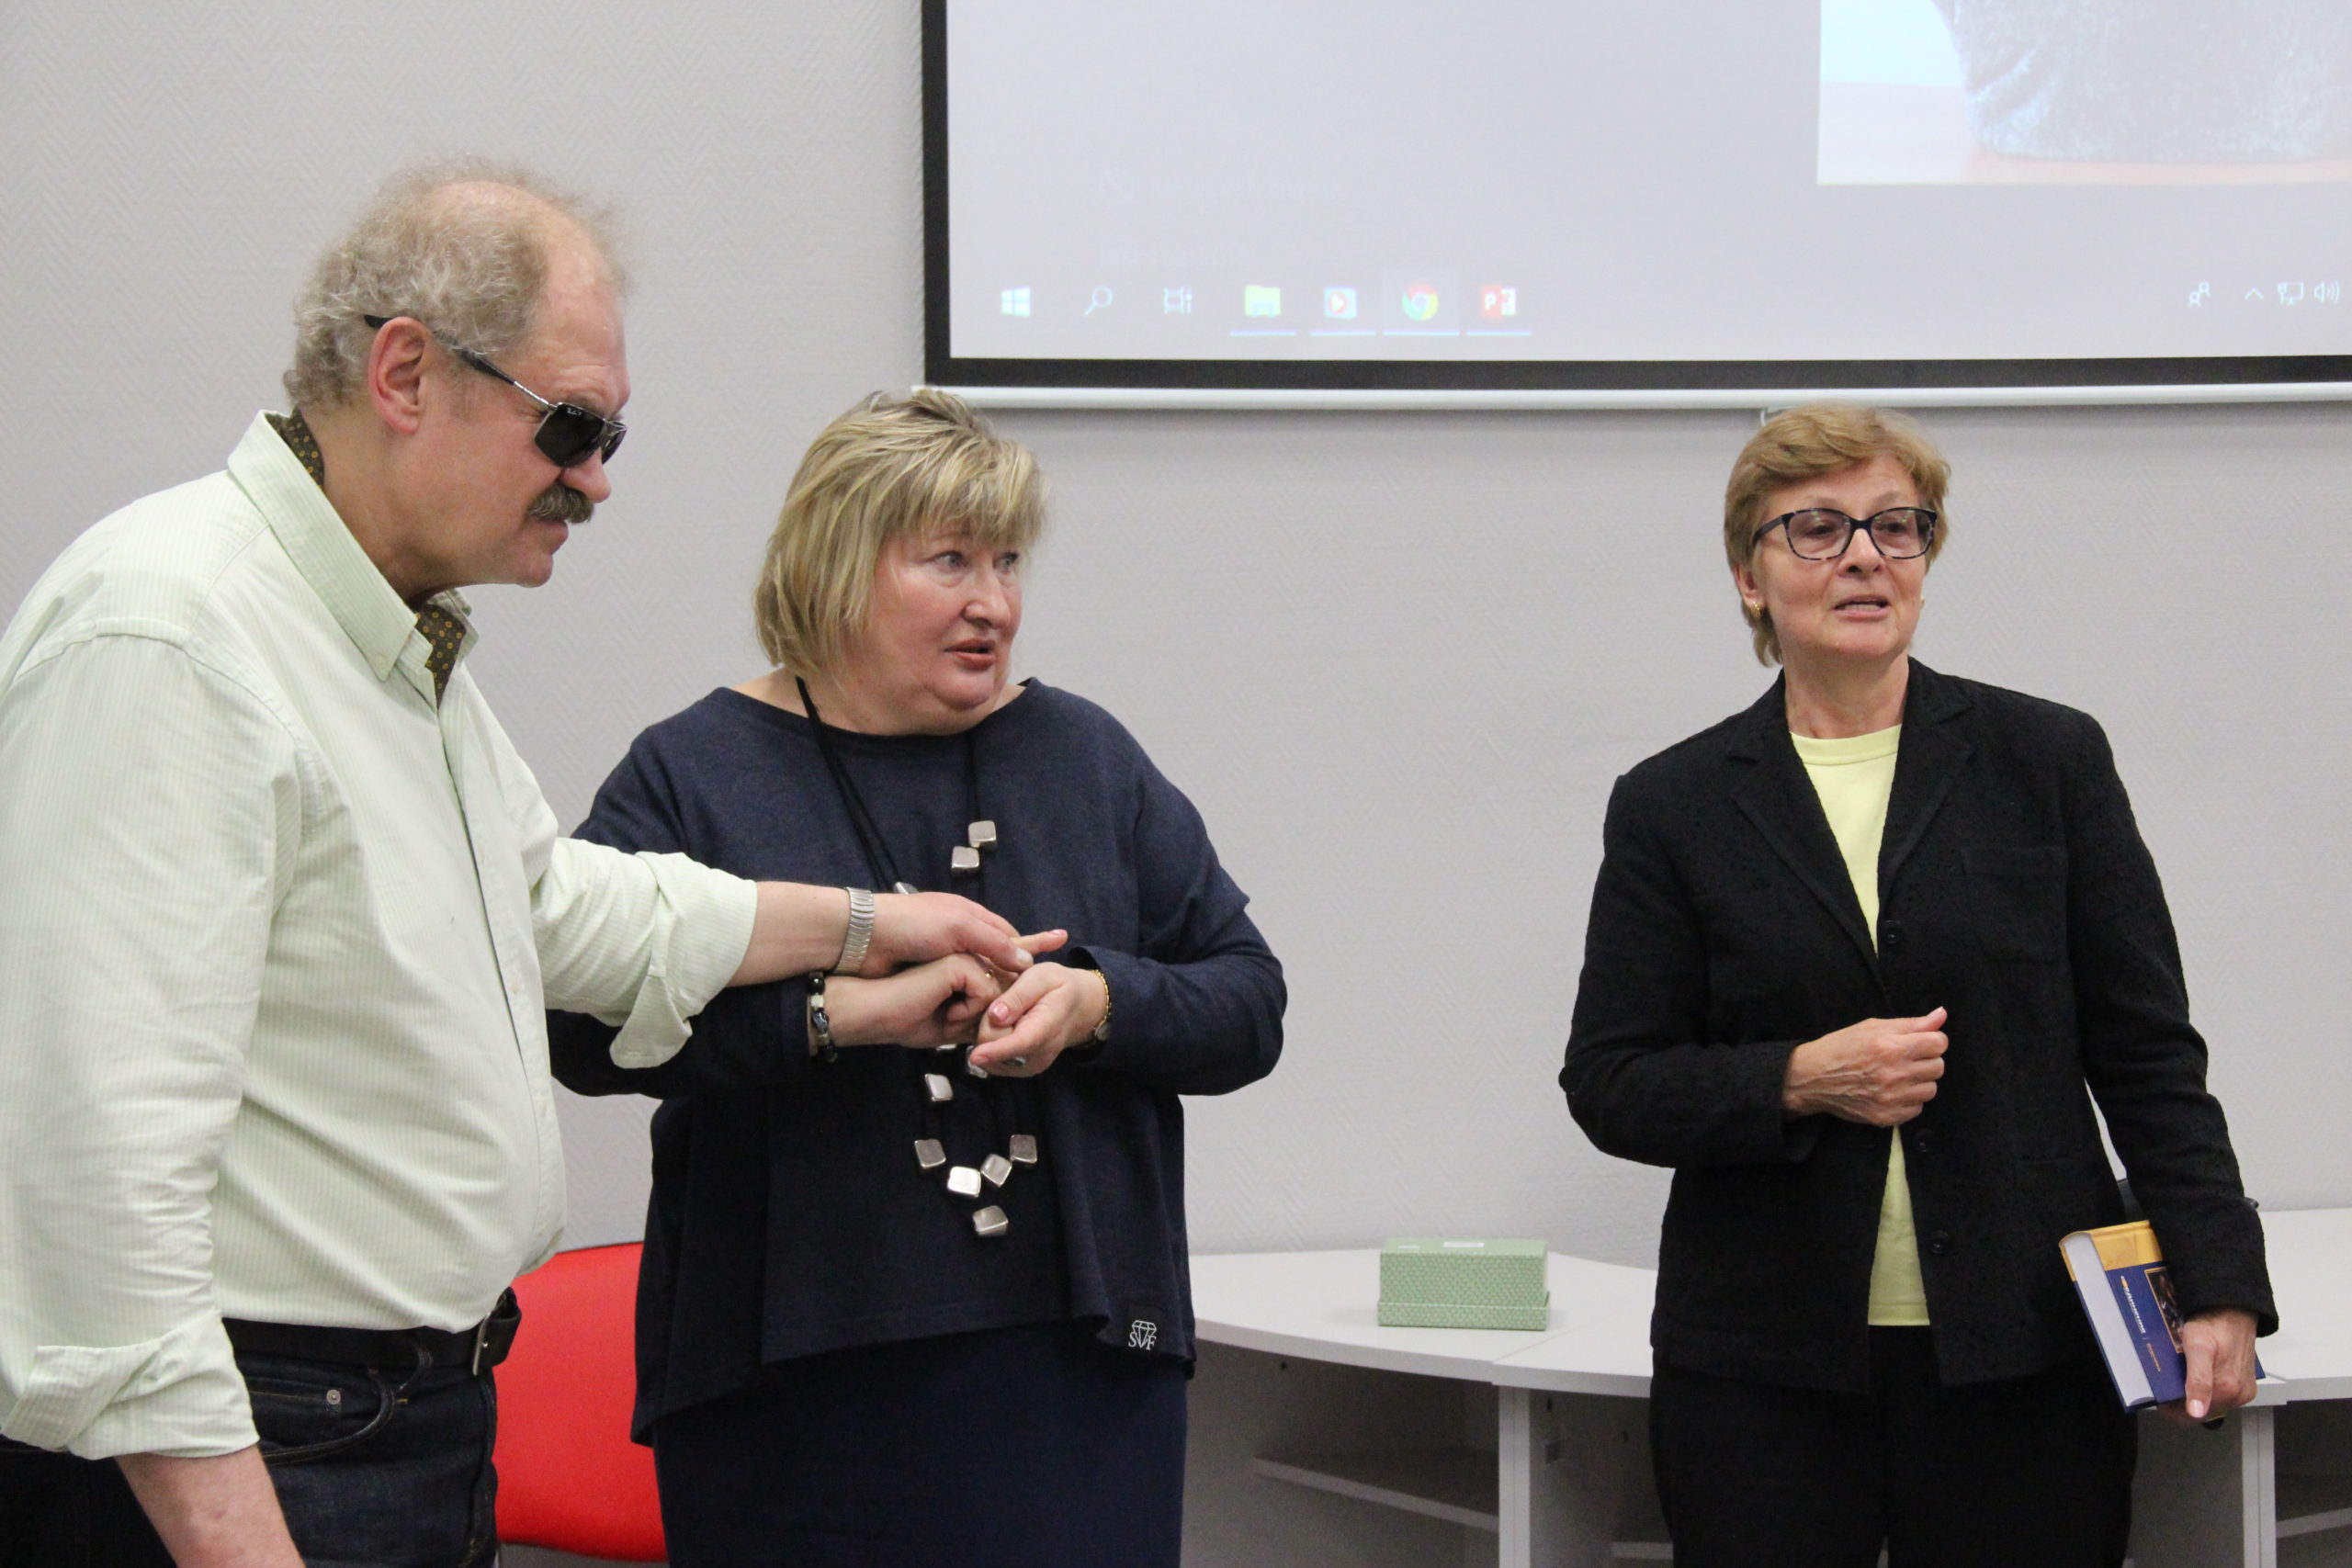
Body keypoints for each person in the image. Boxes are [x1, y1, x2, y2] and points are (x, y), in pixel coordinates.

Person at [0, 164, 1032, 1568]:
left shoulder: (380, 640)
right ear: (406, 373)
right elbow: (94, 1188)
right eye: (572, 425)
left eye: (611, 436)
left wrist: (867, 923)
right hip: (259, 1447)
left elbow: (555, 906)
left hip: (389, 1418)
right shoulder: (175, 635)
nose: (594, 478)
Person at [547, 388, 1285, 1568]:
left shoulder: (1083, 755)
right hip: (787, 1384)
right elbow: (577, 1034)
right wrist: (833, 1020)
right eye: (949, 561)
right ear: (838, 568)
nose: (993, 602)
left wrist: (1094, 1003)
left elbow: (1248, 1003)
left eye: (1006, 561)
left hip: (1074, 1373)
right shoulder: (693, 771)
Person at [1559, 403, 2275, 1567]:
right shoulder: (1672, 803)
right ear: (1748, 578)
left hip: (2027, 1349)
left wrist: (2219, 1286)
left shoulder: (2047, 760)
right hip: (1765, 1366)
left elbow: (2148, 1053)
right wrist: (1798, 1078)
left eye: (1896, 526)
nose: (1863, 556)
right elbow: (1610, 1080)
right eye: (1817, 529)